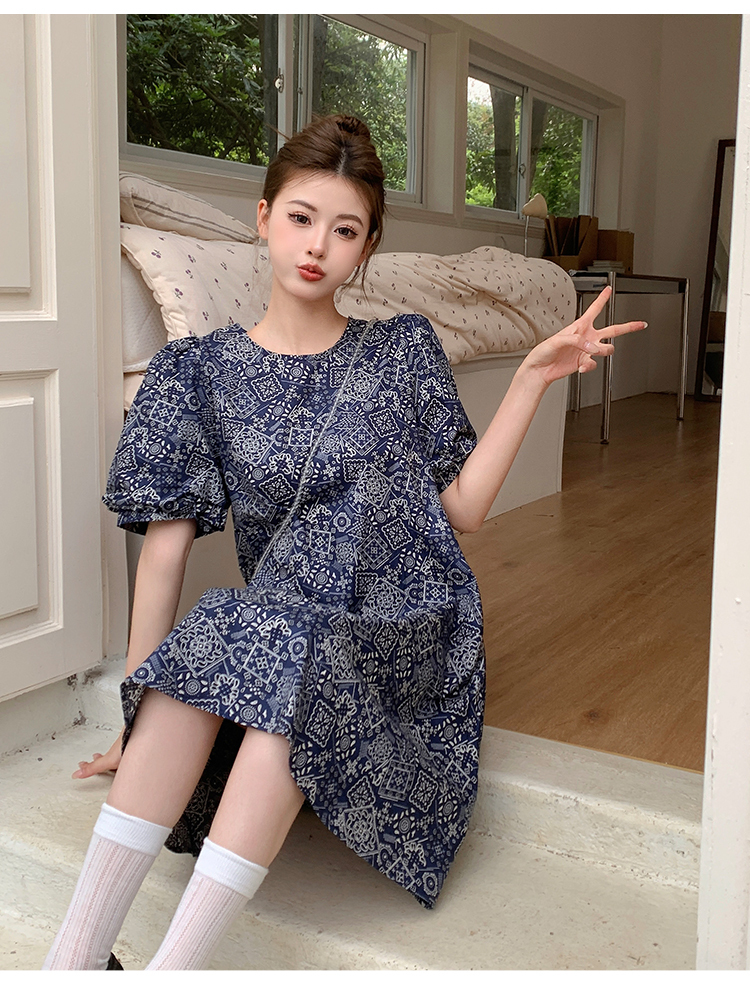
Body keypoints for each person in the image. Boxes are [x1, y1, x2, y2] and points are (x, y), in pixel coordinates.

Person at [43, 114, 644, 971]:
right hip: (293, 627)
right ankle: (74, 961)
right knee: (247, 625)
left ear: (366, 248)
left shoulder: (403, 350)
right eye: (300, 217)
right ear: (263, 218)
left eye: (346, 229)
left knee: (285, 638)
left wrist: (530, 378)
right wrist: (138, 713)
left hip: (407, 627)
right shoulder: (197, 372)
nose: (317, 245)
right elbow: (165, 555)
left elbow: (465, 508)